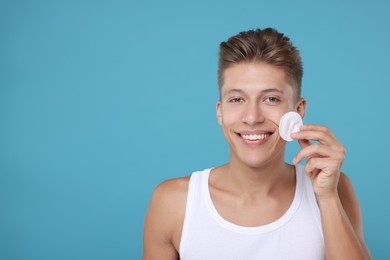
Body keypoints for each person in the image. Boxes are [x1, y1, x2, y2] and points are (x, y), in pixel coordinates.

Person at [142, 28, 371, 259]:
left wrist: (328, 198)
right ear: (220, 112)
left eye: (271, 99)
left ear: (298, 110)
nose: (252, 117)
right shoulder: (173, 202)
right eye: (237, 99)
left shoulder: (334, 189)